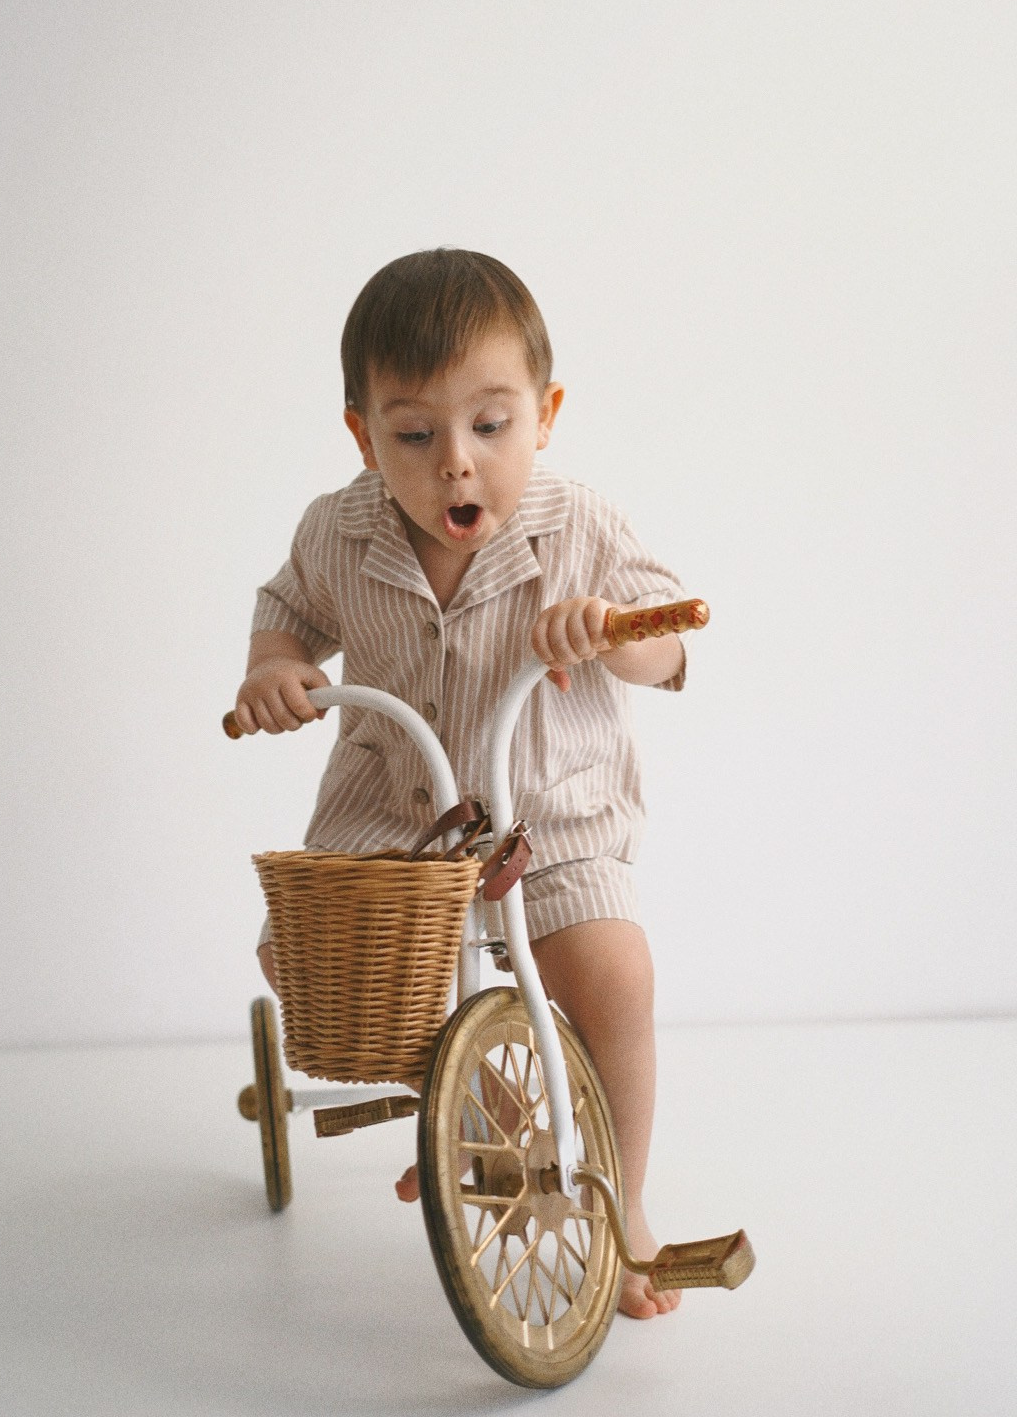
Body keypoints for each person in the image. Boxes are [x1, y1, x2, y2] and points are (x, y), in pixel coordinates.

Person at [231, 248, 691, 1318]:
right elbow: (286, 605)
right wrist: (275, 666)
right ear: (361, 433)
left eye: (491, 425)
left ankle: (620, 1201)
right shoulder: (337, 530)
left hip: (550, 820)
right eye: (413, 434)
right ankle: (476, 1120)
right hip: (399, 814)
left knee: (615, 974)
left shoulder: (578, 522)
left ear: (546, 411)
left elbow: (671, 644)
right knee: (310, 954)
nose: (456, 465)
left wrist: (612, 633)